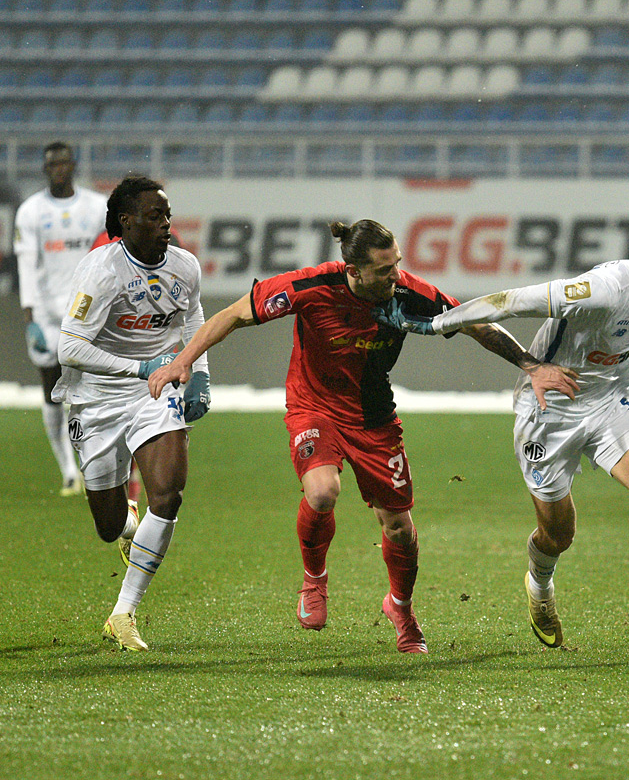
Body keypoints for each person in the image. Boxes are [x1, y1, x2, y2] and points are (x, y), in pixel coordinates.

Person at [147, 219, 577, 655]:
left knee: (399, 528)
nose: (396, 276)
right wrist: (184, 360)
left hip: (373, 418)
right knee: (322, 492)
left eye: (397, 264)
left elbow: (474, 322)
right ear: (354, 271)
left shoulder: (410, 292)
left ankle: (401, 608)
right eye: (384, 270)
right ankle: (314, 581)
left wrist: (531, 365)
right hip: (314, 407)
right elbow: (234, 314)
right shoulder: (309, 287)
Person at [376, 217, 629, 661]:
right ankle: (539, 584)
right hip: (549, 412)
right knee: (558, 535)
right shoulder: (602, 289)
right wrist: (435, 324)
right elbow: (511, 302)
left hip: (607, 403)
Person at [54, 175, 211, 650]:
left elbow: (193, 317)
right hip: (97, 398)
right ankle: (127, 524)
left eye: (167, 215)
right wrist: (137, 366)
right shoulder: (101, 271)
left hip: (155, 391)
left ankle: (123, 613)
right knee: (108, 527)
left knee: (169, 494)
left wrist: (199, 374)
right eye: (154, 216)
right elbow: (69, 347)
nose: (166, 224)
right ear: (126, 221)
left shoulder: (184, 265)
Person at [13, 142, 108, 495]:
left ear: (73, 165)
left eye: (64, 162)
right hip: (48, 314)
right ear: (45, 168)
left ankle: (94, 462)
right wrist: (30, 318)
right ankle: (68, 470)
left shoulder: (97, 207)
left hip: (89, 312)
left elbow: (109, 255)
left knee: (92, 390)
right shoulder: (30, 211)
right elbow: (26, 265)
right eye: (53, 164)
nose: (59, 169)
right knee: (52, 390)